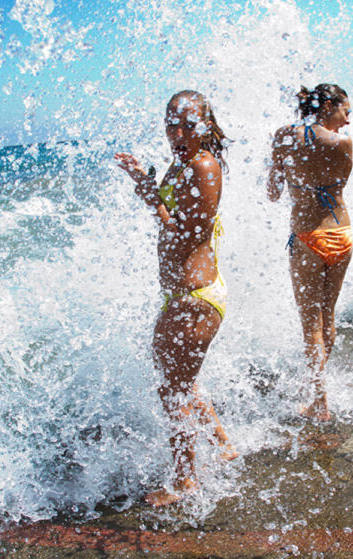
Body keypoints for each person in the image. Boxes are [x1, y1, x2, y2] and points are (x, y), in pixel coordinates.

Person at [115, 90, 236, 507]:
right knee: (181, 379)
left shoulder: (203, 165)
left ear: (206, 126)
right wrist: (146, 186)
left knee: (173, 388)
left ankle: (186, 481)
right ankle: (223, 444)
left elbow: (188, 232)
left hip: (195, 298)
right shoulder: (181, 162)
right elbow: (172, 216)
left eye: (189, 125)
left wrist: (153, 200)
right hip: (184, 295)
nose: (179, 132)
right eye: (172, 123)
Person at [267, 84, 353, 422]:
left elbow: (273, 192)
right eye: (346, 112)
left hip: (307, 238)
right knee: (328, 316)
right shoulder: (343, 143)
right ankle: (318, 389)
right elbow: (340, 184)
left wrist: (286, 171)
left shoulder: (285, 136)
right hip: (341, 234)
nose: (347, 121)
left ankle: (320, 402)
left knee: (310, 325)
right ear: (330, 106)